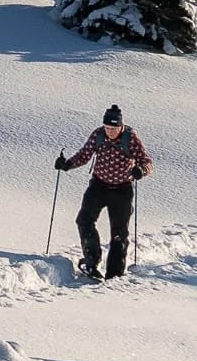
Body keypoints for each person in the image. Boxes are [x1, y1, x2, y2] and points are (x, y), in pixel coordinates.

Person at [56, 104, 153, 281]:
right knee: (84, 220)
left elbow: (147, 161)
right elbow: (84, 154)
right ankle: (91, 262)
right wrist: (67, 164)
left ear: (120, 126)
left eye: (113, 128)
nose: (110, 132)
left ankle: (114, 275)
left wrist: (141, 170)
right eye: (107, 127)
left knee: (119, 234)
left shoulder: (130, 138)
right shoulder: (98, 134)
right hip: (98, 186)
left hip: (122, 189)